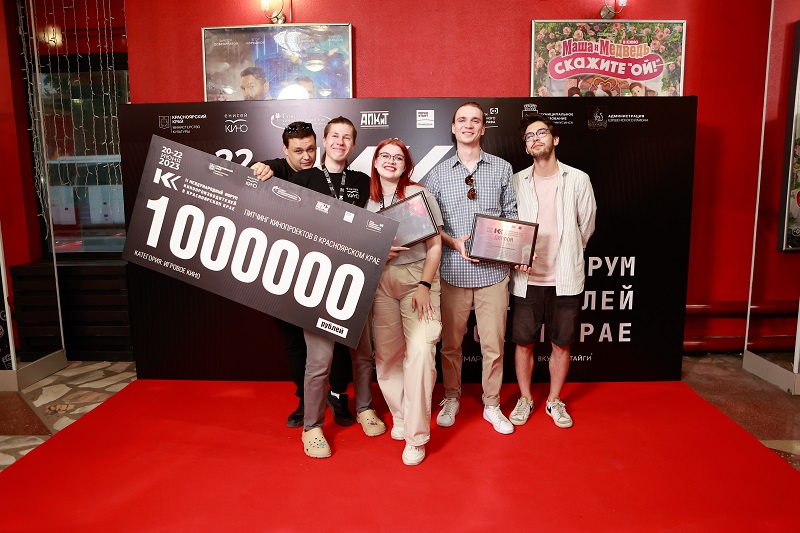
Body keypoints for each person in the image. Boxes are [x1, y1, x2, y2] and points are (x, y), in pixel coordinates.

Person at [292, 116, 386, 457]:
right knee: (319, 360)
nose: (340, 142)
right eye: (334, 136)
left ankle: (365, 408)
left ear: (353, 144)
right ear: (324, 140)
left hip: (356, 278)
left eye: (347, 137)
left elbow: (380, 220)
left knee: (362, 354)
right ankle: (312, 427)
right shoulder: (302, 178)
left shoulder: (363, 181)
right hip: (316, 280)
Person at [250, 122, 354, 430]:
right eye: (298, 151)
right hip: (284, 274)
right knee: (294, 343)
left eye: (310, 149)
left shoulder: (326, 176)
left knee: (338, 338)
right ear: (285, 150)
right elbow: (258, 172)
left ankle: (338, 395)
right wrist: (261, 168)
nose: (306, 156)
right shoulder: (277, 170)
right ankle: (305, 400)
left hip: (326, 272)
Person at [426, 102, 518, 435]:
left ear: (483, 128)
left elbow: (511, 217)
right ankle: (452, 397)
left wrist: (497, 247)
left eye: (475, 120)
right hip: (453, 273)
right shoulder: (438, 173)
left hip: (493, 274)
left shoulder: (502, 168)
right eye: (462, 120)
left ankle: (491, 404)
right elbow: (430, 225)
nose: (468, 125)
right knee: (451, 345)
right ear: (453, 128)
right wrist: (454, 242)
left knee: (493, 345)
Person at [507, 113, 596, 429]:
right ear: (526, 147)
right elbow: (509, 225)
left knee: (561, 343)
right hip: (526, 278)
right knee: (523, 342)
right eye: (529, 136)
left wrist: (569, 252)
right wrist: (516, 255)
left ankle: (555, 400)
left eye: (541, 133)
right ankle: (525, 398)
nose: (535, 139)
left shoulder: (578, 179)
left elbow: (587, 225)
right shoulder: (516, 181)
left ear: (555, 139)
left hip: (565, 278)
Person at [366, 138, 443, 466]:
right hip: (381, 282)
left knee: (422, 353)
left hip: (418, 281)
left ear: (406, 165)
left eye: (398, 158)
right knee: (387, 356)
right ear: (375, 161)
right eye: (385, 156)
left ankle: (416, 437)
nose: (390, 161)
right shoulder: (365, 199)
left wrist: (425, 284)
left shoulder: (419, 194)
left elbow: (435, 245)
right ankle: (400, 415)